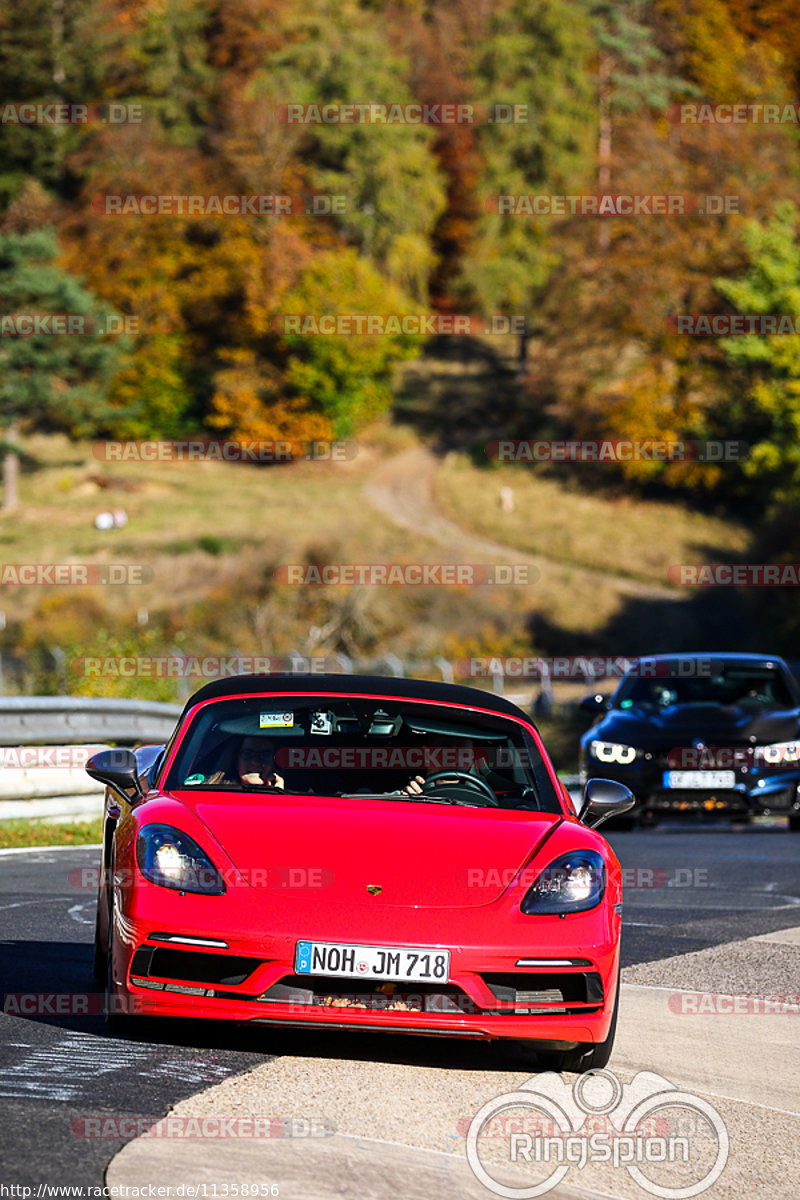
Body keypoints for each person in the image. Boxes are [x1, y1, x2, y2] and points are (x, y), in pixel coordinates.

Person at [208, 736, 285, 789]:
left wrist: (278, 795)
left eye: (265, 755)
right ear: (236, 761)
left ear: (273, 764)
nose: (256, 762)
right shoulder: (212, 796)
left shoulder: (294, 800)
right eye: (247, 754)